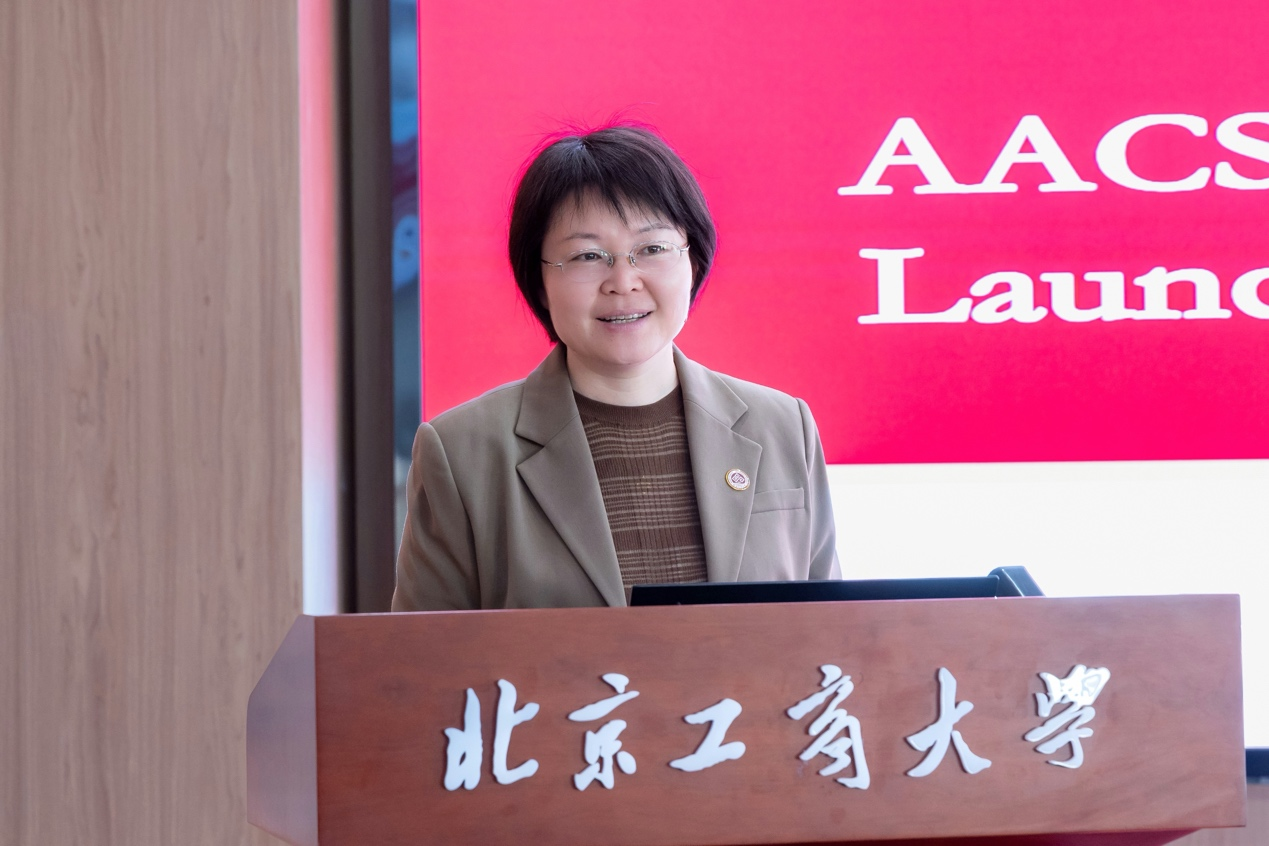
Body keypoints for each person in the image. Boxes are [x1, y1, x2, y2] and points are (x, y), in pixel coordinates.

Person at [392, 125, 839, 610]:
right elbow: (427, 654)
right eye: (588, 256)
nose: (623, 282)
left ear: (693, 261)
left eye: (652, 249)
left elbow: (830, 636)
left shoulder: (783, 426)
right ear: (539, 282)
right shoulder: (462, 452)